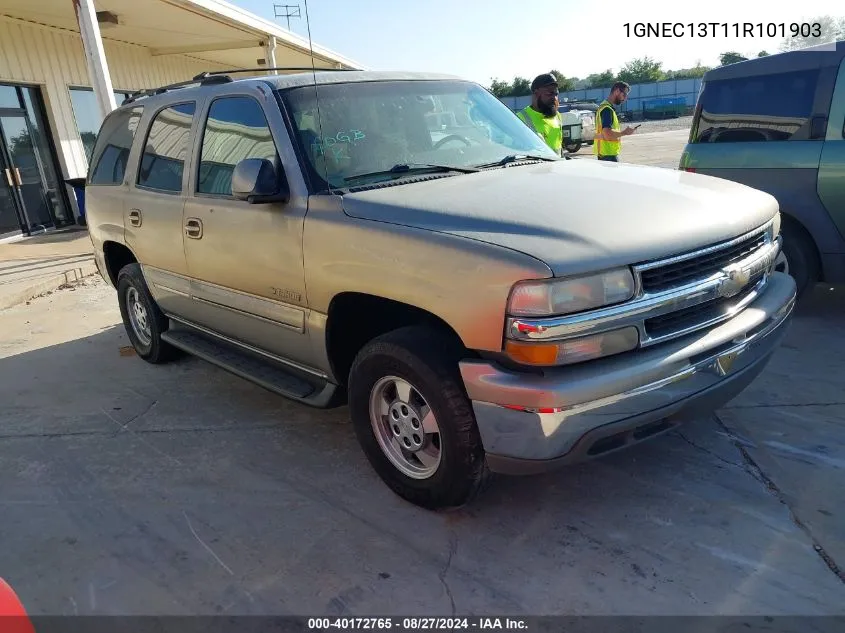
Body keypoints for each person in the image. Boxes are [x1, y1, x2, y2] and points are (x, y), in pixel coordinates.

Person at [516, 73, 566, 156]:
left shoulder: (557, 116)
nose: (554, 98)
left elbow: (559, 148)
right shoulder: (519, 119)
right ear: (536, 93)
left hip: (556, 167)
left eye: (556, 94)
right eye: (550, 93)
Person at [594, 81, 636, 161]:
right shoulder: (607, 110)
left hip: (604, 154)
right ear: (617, 91)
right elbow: (607, 133)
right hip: (608, 156)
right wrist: (625, 132)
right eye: (624, 94)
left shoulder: (603, 107)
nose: (625, 98)